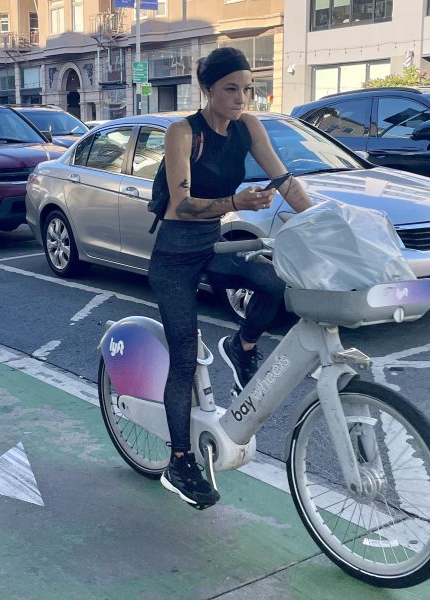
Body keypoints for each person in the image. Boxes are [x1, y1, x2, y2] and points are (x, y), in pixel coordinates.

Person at [148, 47, 314, 509]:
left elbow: (285, 182)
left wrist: (327, 224)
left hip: (211, 249)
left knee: (275, 285)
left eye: (247, 89)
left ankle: (242, 347)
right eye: (230, 89)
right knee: (183, 358)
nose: (241, 98)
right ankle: (180, 463)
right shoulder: (184, 132)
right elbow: (180, 205)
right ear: (208, 90)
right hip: (174, 258)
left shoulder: (249, 127)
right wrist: (236, 204)